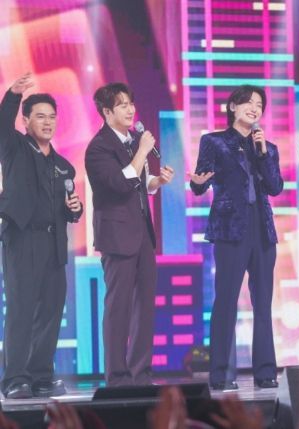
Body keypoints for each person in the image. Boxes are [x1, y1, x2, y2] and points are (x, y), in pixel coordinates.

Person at [189, 85, 283, 391]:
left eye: (259, 105)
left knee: (263, 304)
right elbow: (201, 182)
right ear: (232, 107)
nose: (254, 108)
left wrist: (263, 154)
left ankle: (265, 372)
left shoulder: (267, 148)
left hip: (262, 230)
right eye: (248, 103)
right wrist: (197, 183)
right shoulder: (214, 141)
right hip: (230, 229)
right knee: (226, 301)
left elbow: (275, 187)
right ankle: (221, 373)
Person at [85, 82, 174, 386]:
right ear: (107, 112)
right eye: (122, 105)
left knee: (145, 307)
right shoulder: (99, 147)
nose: (130, 109)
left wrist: (157, 182)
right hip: (116, 237)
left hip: (142, 235)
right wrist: (143, 151)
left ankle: (141, 373)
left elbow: (139, 184)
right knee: (118, 308)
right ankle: (118, 376)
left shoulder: (133, 141)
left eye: (131, 103)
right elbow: (121, 184)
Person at [0, 73, 82, 399]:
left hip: (54, 243)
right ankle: (15, 379)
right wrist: (12, 95)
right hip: (22, 239)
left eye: (51, 117)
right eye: (40, 117)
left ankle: (40, 376)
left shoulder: (63, 166)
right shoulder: (15, 147)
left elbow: (66, 207)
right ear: (26, 120)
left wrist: (74, 209)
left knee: (51, 310)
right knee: (21, 309)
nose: (47, 122)